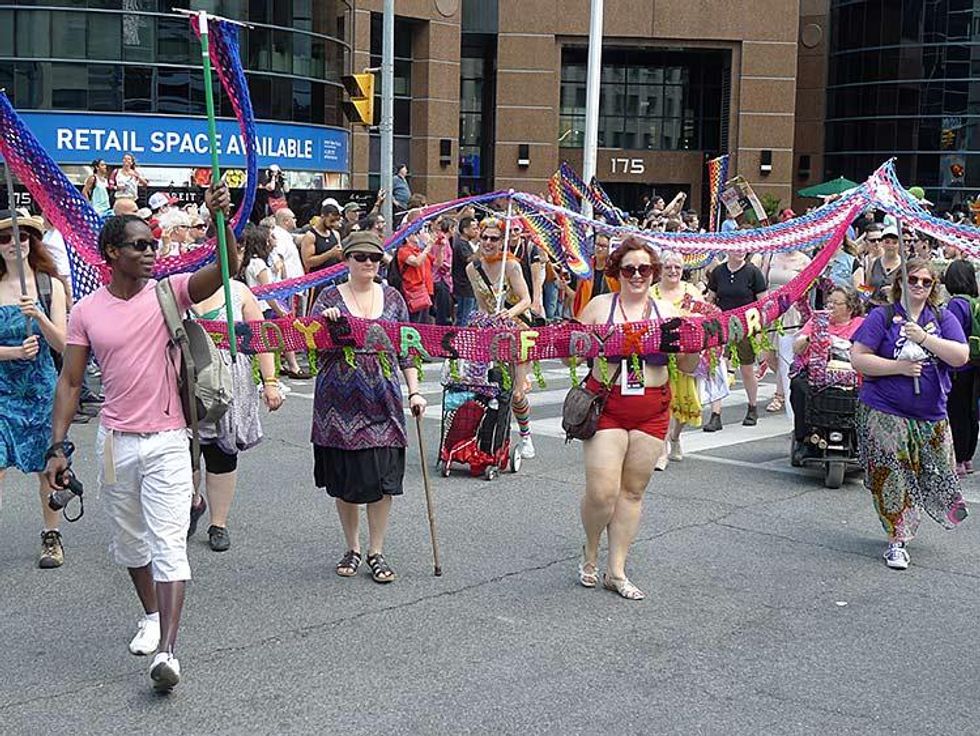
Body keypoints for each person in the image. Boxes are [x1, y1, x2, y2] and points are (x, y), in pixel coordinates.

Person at [44, 183, 239, 691]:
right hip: (113, 442)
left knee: (169, 544)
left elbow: (227, 271)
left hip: (169, 441)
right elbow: (69, 382)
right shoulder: (88, 310)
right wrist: (57, 446)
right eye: (140, 245)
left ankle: (168, 653)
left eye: (153, 244)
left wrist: (224, 225)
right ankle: (151, 616)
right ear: (113, 253)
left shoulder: (169, 292)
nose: (151, 251)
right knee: (130, 544)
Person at [575, 238, 698, 600]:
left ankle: (616, 569)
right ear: (617, 272)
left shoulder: (667, 313)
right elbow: (573, 350)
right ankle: (591, 550)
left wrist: (695, 342)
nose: (637, 275)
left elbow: (689, 366)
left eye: (644, 269)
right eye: (629, 268)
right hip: (608, 406)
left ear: (653, 272)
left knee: (631, 492)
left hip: (653, 410)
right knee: (602, 493)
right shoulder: (599, 307)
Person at [310, 231, 426, 584]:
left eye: (374, 258)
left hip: (383, 397)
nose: (368, 263)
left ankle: (376, 550)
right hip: (338, 404)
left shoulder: (392, 298)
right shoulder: (328, 298)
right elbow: (310, 346)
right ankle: (352, 547)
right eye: (360, 257)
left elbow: (406, 347)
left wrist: (415, 392)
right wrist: (325, 328)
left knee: (382, 479)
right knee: (345, 481)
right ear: (346, 259)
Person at [850, 259, 969, 570]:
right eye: (912, 279)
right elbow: (858, 359)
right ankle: (897, 540)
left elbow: (960, 356)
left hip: (931, 413)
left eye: (925, 281)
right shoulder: (883, 316)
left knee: (937, 475)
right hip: (885, 410)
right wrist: (898, 368)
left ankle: (923, 511)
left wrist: (925, 338)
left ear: (933, 287)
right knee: (893, 476)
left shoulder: (942, 317)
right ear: (901, 282)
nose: (918, 285)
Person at [186, 279, 283, 552]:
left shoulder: (239, 291)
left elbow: (260, 337)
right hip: (189, 378)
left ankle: (219, 523)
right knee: (185, 452)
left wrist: (271, 382)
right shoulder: (185, 288)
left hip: (228, 379)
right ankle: (192, 503)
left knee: (222, 453)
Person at [0, 210, 68, 567]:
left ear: (32, 242)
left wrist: (40, 316)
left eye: (20, 236)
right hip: (1, 392)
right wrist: (11, 352)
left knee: (48, 467)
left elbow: (64, 346)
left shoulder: (49, 285)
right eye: (5, 238)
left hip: (41, 391)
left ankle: (51, 537)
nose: (14, 244)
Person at [466, 217, 536, 458]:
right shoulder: (472, 269)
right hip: (491, 334)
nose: (488, 242)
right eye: (484, 237)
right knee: (485, 388)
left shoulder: (512, 266)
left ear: (502, 241)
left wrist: (509, 313)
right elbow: (481, 304)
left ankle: (526, 436)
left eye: (494, 238)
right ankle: (487, 437)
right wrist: (481, 326)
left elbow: (527, 300)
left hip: (517, 331)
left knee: (517, 393)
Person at [789, 286, 864, 464]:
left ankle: (860, 441)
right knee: (798, 386)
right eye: (829, 302)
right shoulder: (818, 321)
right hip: (818, 373)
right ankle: (803, 439)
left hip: (851, 375)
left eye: (836, 303)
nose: (830, 307)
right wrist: (810, 337)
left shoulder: (860, 324)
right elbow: (797, 346)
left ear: (850, 307)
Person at [651, 251, 704, 468]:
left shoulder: (691, 292)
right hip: (659, 356)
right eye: (668, 267)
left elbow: (703, 318)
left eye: (677, 268)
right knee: (661, 403)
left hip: (686, 355)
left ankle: (675, 436)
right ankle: (661, 451)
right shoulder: (652, 292)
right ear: (660, 269)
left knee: (684, 402)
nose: (673, 271)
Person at [706, 250, 767, 428]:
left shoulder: (753, 272)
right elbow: (711, 299)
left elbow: (762, 303)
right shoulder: (719, 272)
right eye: (736, 248)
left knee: (747, 369)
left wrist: (759, 331)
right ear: (728, 250)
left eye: (743, 249)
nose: (740, 252)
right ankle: (715, 414)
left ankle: (752, 407)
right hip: (722, 325)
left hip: (746, 326)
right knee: (718, 367)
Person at [758, 248, 810, 416]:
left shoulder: (804, 260)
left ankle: (779, 395)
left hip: (792, 310)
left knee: (785, 354)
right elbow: (762, 283)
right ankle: (786, 382)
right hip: (771, 309)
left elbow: (809, 286)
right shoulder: (771, 255)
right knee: (768, 355)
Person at [942, 259, 980, 476]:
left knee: (956, 412)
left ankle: (957, 458)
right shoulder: (974, 301)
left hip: (959, 367)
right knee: (970, 412)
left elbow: (952, 334)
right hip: (974, 364)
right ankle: (967, 459)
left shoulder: (956, 303)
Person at [397, 211, 435, 323]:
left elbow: (437, 263)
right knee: (415, 322)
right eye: (414, 233)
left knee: (425, 323)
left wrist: (440, 247)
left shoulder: (418, 250)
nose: (418, 235)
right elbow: (416, 262)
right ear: (407, 237)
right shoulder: (403, 250)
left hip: (424, 291)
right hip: (412, 292)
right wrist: (428, 246)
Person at [300, 202, 343, 279]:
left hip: (334, 276)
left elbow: (339, 256)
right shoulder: (311, 236)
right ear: (323, 217)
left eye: (337, 220)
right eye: (331, 221)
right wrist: (329, 254)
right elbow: (308, 262)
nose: (334, 224)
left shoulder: (335, 234)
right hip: (318, 279)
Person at [864, 224, 902, 306]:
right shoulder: (873, 262)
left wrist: (893, 291)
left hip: (894, 310)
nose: (890, 246)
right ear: (882, 243)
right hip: (873, 307)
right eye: (887, 242)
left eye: (894, 243)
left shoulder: (904, 266)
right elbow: (866, 287)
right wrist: (863, 301)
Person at [451, 216, 480, 326]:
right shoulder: (461, 244)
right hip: (464, 286)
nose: (476, 231)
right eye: (474, 228)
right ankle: (460, 339)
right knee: (464, 317)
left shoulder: (467, 243)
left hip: (469, 286)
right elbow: (469, 260)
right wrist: (482, 248)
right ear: (465, 230)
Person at [431, 218, 454, 326]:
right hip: (440, 279)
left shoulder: (441, 240)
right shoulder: (442, 241)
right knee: (442, 315)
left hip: (438, 279)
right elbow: (440, 263)